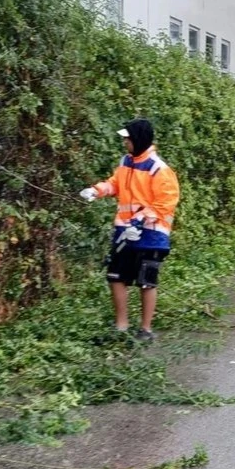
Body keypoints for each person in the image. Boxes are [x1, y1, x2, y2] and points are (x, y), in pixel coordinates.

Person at [80, 118, 180, 341]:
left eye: (128, 138)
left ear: (139, 139)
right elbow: (115, 184)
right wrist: (96, 191)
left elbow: (166, 202)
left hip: (152, 235)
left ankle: (145, 329)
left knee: (146, 280)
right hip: (124, 231)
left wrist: (140, 219)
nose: (125, 142)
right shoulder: (126, 161)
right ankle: (121, 327)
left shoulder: (159, 169)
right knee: (116, 276)